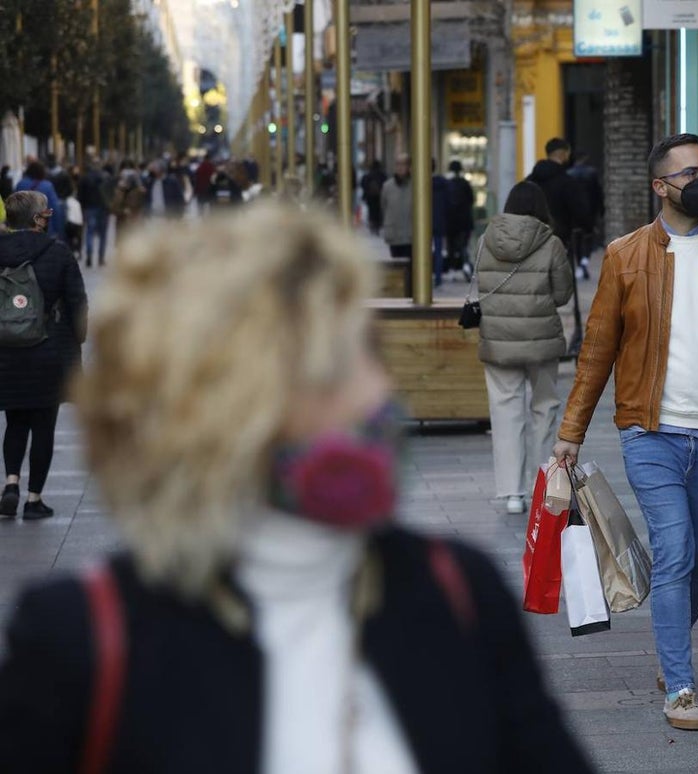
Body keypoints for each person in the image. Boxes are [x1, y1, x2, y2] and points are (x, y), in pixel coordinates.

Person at [0, 204, 594, 774]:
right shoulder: (81, 640)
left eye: (367, 353)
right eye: (326, 371)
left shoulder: (457, 592)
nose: (373, 394)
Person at [552, 133, 698, 731]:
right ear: (660, 186)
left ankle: (669, 647)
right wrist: (570, 430)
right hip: (650, 433)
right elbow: (597, 352)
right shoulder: (625, 256)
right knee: (677, 549)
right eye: (690, 173)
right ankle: (680, 688)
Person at [476, 181, 573, 515]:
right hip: (541, 340)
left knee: (505, 411)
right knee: (544, 408)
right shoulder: (552, 243)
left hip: (498, 340)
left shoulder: (485, 241)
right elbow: (562, 295)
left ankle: (511, 493)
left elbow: (480, 285)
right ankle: (540, 484)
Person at [0, 191, 88, 522]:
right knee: (43, 425)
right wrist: (77, 340)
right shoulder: (58, 254)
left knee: (15, 420)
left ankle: (10, 484)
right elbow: (78, 303)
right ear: (38, 218)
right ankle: (34, 499)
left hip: (6, 353)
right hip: (49, 352)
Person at [526, 138, 590, 250]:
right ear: (564, 153)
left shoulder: (529, 181)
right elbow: (581, 212)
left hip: (532, 241)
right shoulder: (567, 182)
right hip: (560, 242)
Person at [567, 152, 604, 280]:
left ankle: (579, 264)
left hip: (575, 212)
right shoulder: (592, 173)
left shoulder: (569, 174)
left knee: (576, 238)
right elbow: (598, 194)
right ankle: (584, 261)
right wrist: (601, 210)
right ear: (585, 158)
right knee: (589, 237)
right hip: (590, 211)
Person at [381, 153, 414, 291]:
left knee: (411, 268)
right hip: (394, 234)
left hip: (410, 235)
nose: (400, 168)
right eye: (398, 164)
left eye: (403, 164)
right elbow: (383, 206)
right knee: (398, 268)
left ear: (409, 167)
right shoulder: (387, 186)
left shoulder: (415, 185)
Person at [14, 161, 63, 238]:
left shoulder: (20, 185)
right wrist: (58, 229)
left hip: (23, 228)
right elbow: (55, 209)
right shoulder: (47, 186)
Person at [446, 160, 476, 279]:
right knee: (464, 247)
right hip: (465, 222)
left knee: (451, 247)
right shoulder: (465, 183)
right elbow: (471, 200)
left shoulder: (448, 184)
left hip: (451, 222)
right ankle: (466, 267)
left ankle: (452, 269)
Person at [77, 160, 111, 267]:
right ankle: (101, 258)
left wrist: (82, 208)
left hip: (89, 208)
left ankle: (89, 256)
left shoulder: (85, 178)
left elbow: (80, 195)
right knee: (103, 234)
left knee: (89, 232)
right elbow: (111, 194)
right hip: (103, 209)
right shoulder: (106, 177)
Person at [110, 162, 147, 241]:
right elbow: (114, 208)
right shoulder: (119, 192)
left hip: (134, 223)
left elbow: (142, 206)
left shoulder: (138, 192)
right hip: (122, 225)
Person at [432, 159, 449, 287]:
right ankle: (438, 277)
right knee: (438, 251)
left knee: (423, 251)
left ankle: (425, 275)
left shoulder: (421, 184)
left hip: (425, 223)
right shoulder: (443, 184)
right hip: (440, 221)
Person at [361, 160, 386, 236]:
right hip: (379, 196)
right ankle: (377, 225)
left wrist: (366, 192)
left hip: (370, 196)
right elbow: (385, 184)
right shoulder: (382, 175)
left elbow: (363, 184)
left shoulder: (368, 175)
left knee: (371, 210)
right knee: (378, 210)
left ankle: (372, 224)